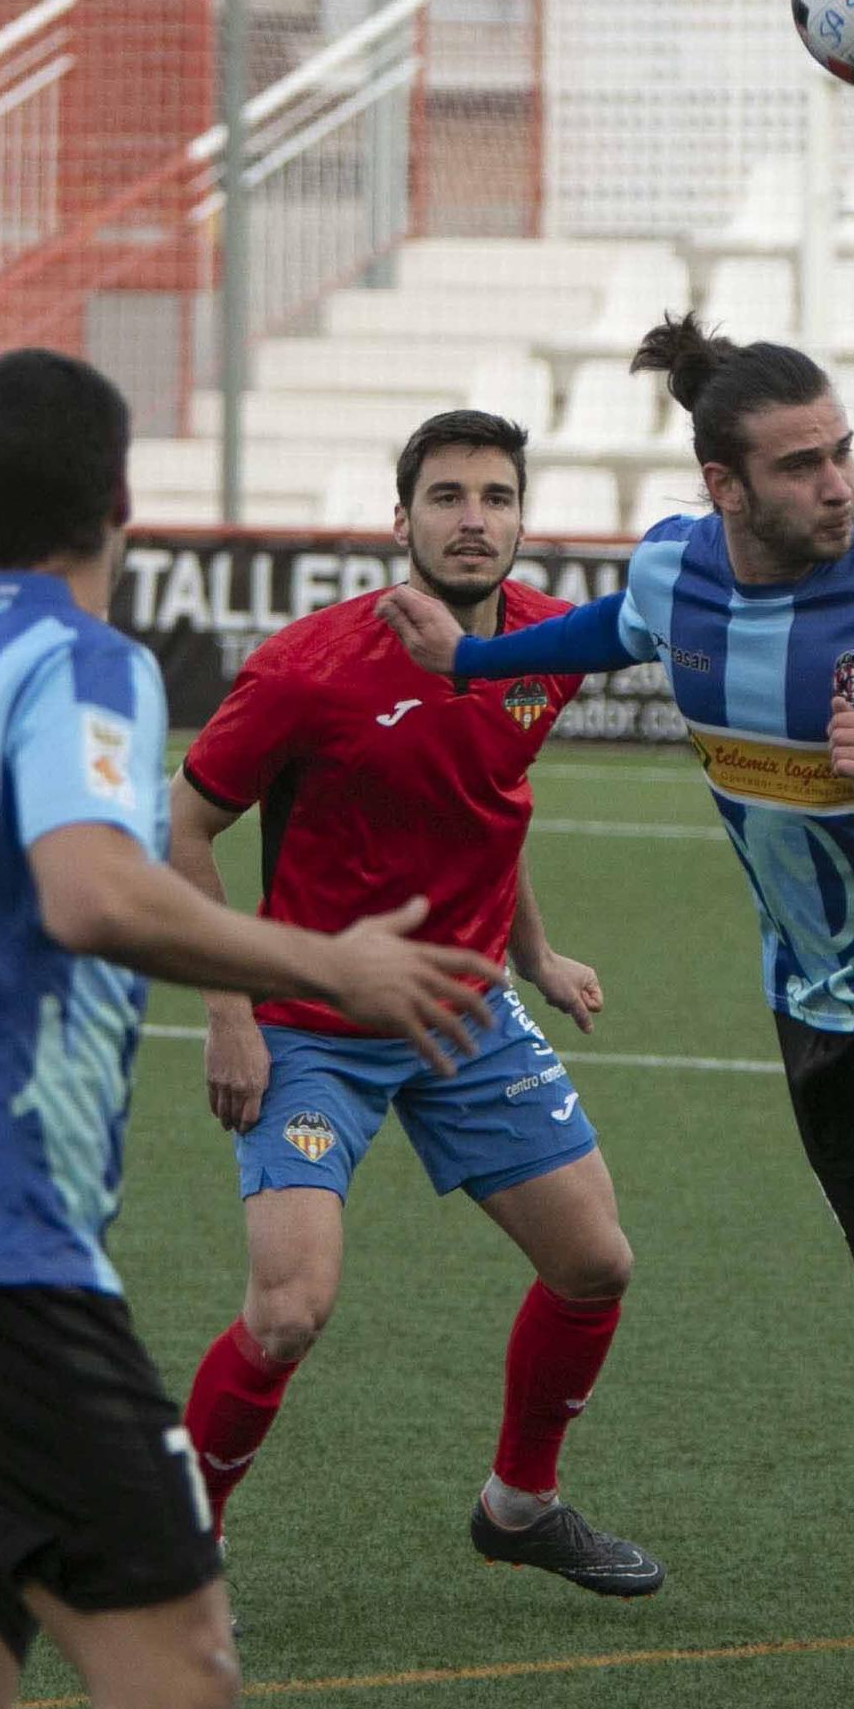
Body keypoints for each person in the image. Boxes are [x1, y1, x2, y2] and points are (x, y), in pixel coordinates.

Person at [378, 317, 854, 1709]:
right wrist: (482, 657)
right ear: (723, 485)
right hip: (814, 996)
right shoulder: (671, 571)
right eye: (801, 464)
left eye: (842, 454)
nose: (837, 484)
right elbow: (609, 633)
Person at [0, 350, 501, 1709]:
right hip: (17, 1274)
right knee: (177, 1681)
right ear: (122, 502)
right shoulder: (74, 657)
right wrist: (315, 965)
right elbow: (91, 893)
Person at [172, 410, 663, 1607]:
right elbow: (181, 829)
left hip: (462, 1011)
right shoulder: (307, 667)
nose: (472, 519)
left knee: (595, 1262)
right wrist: (230, 1010)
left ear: (521, 520)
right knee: (289, 1308)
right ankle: (181, 1540)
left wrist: (535, 954)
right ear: (401, 522)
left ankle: (520, 1504)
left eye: (495, 497)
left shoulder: (548, 641)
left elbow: (492, 796)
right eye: (445, 497)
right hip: (309, 1023)